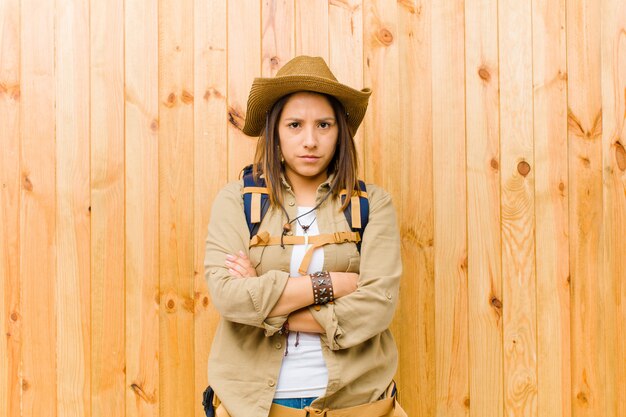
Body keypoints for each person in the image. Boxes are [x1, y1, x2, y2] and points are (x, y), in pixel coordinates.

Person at [203, 56, 405, 417]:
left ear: (340, 131)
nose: (310, 140)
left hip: (357, 403)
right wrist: (330, 284)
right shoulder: (236, 200)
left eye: (323, 125)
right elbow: (228, 296)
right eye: (295, 125)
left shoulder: (373, 204)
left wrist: (267, 306)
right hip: (253, 405)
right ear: (275, 131)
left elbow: (377, 306)